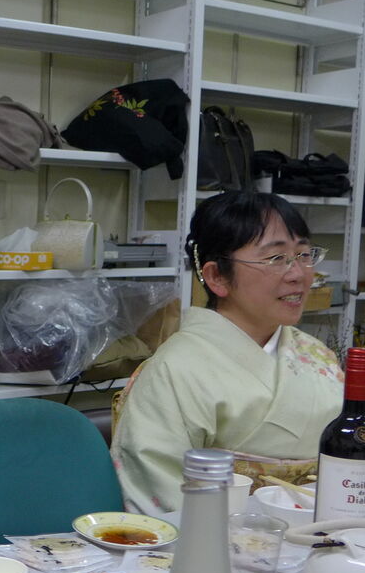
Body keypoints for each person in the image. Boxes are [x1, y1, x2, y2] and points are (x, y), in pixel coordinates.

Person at [110, 191, 343, 515]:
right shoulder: (174, 369)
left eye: (304, 254)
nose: (298, 274)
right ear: (217, 276)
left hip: (325, 528)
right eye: (276, 258)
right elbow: (160, 495)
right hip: (219, 536)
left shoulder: (317, 354)